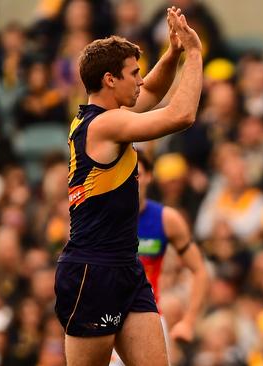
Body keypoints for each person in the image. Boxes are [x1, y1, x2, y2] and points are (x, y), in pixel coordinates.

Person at [54, 7, 203, 366]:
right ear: (109, 80)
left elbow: (151, 89)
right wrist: (196, 55)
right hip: (93, 270)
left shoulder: (109, 118)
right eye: (133, 73)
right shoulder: (105, 125)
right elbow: (181, 115)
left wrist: (173, 53)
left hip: (126, 267)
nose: (140, 80)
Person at [110, 154, 209, 365]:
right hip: (110, 318)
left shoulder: (166, 219)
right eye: (124, 175)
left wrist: (189, 321)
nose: (131, 181)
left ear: (149, 177)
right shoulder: (102, 219)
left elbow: (199, 270)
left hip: (150, 316)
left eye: (137, 174)